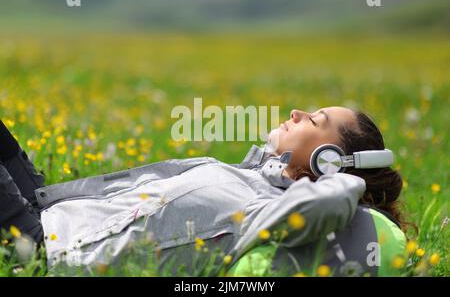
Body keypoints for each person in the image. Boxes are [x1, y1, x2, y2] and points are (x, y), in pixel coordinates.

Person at [0, 106, 407, 276]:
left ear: (328, 159)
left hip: (42, 247)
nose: (297, 113)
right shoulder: (251, 177)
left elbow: (329, 204)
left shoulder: (269, 212)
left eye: (314, 119)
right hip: (48, 206)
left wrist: (347, 175)